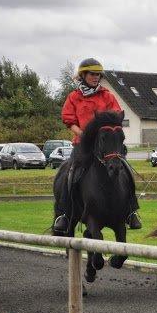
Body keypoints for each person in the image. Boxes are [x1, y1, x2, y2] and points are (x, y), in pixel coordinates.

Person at [52, 58, 141, 235]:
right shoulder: (74, 97)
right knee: (69, 173)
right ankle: (63, 214)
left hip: (106, 147)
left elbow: (116, 117)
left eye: (98, 75)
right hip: (83, 145)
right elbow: (70, 121)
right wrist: (84, 135)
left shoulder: (107, 95)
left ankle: (131, 211)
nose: (96, 77)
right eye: (92, 74)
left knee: (126, 170)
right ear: (83, 75)